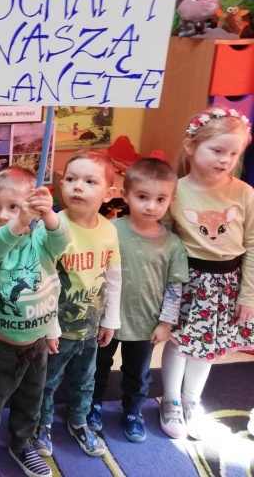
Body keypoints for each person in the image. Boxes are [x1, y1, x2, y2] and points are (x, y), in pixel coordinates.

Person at [0, 166, 71, 477]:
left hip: (37, 342)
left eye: (13, 206)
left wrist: (48, 214)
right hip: (0, 345)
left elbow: (62, 240)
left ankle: (22, 443)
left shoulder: (41, 239)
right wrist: (19, 221)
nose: (2, 214)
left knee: (31, 398)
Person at [159, 107, 254, 440]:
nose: (225, 159)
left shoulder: (244, 193)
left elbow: (252, 244)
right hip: (186, 281)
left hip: (228, 283)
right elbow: (163, 241)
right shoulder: (173, 190)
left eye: (233, 153)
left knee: (209, 344)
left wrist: (248, 295)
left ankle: (191, 401)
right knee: (179, 341)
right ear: (191, 146)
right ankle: (171, 400)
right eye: (217, 150)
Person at [89, 158, 189, 443]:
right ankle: (92, 406)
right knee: (97, 367)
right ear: (126, 194)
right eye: (142, 197)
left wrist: (166, 323)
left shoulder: (172, 244)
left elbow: (174, 287)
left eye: (160, 199)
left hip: (146, 323)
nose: (151, 206)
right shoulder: (109, 230)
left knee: (137, 373)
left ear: (171, 200)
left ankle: (133, 412)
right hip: (105, 319)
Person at [34, 150, 121, 458]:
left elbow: (114, 276)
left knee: (85, 379)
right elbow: (41, 281)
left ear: (109, 193)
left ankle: (79, 421)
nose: (78, 187)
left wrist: (110, 320)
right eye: (70, 179)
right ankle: (43, 423)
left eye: (89, 181)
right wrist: (49, 327)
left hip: (91, 328)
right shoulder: (53, 227)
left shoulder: (110, 230)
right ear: (61, 185)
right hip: (56, 328)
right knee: (48, 380)